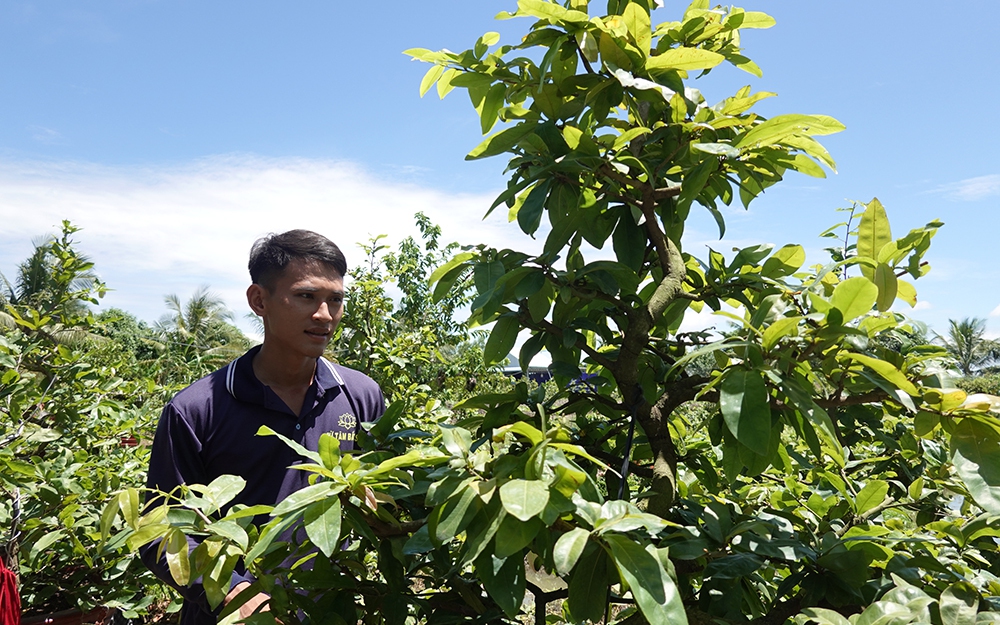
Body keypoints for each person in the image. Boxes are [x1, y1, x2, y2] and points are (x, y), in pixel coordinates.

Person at [141, 229, 385, 624]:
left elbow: (382, 497)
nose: (324, 315)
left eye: (335, 300)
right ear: (260, 300)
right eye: (307, 296)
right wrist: (233, 593)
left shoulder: (360, 395)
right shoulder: (198, 409)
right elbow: (159, 531)